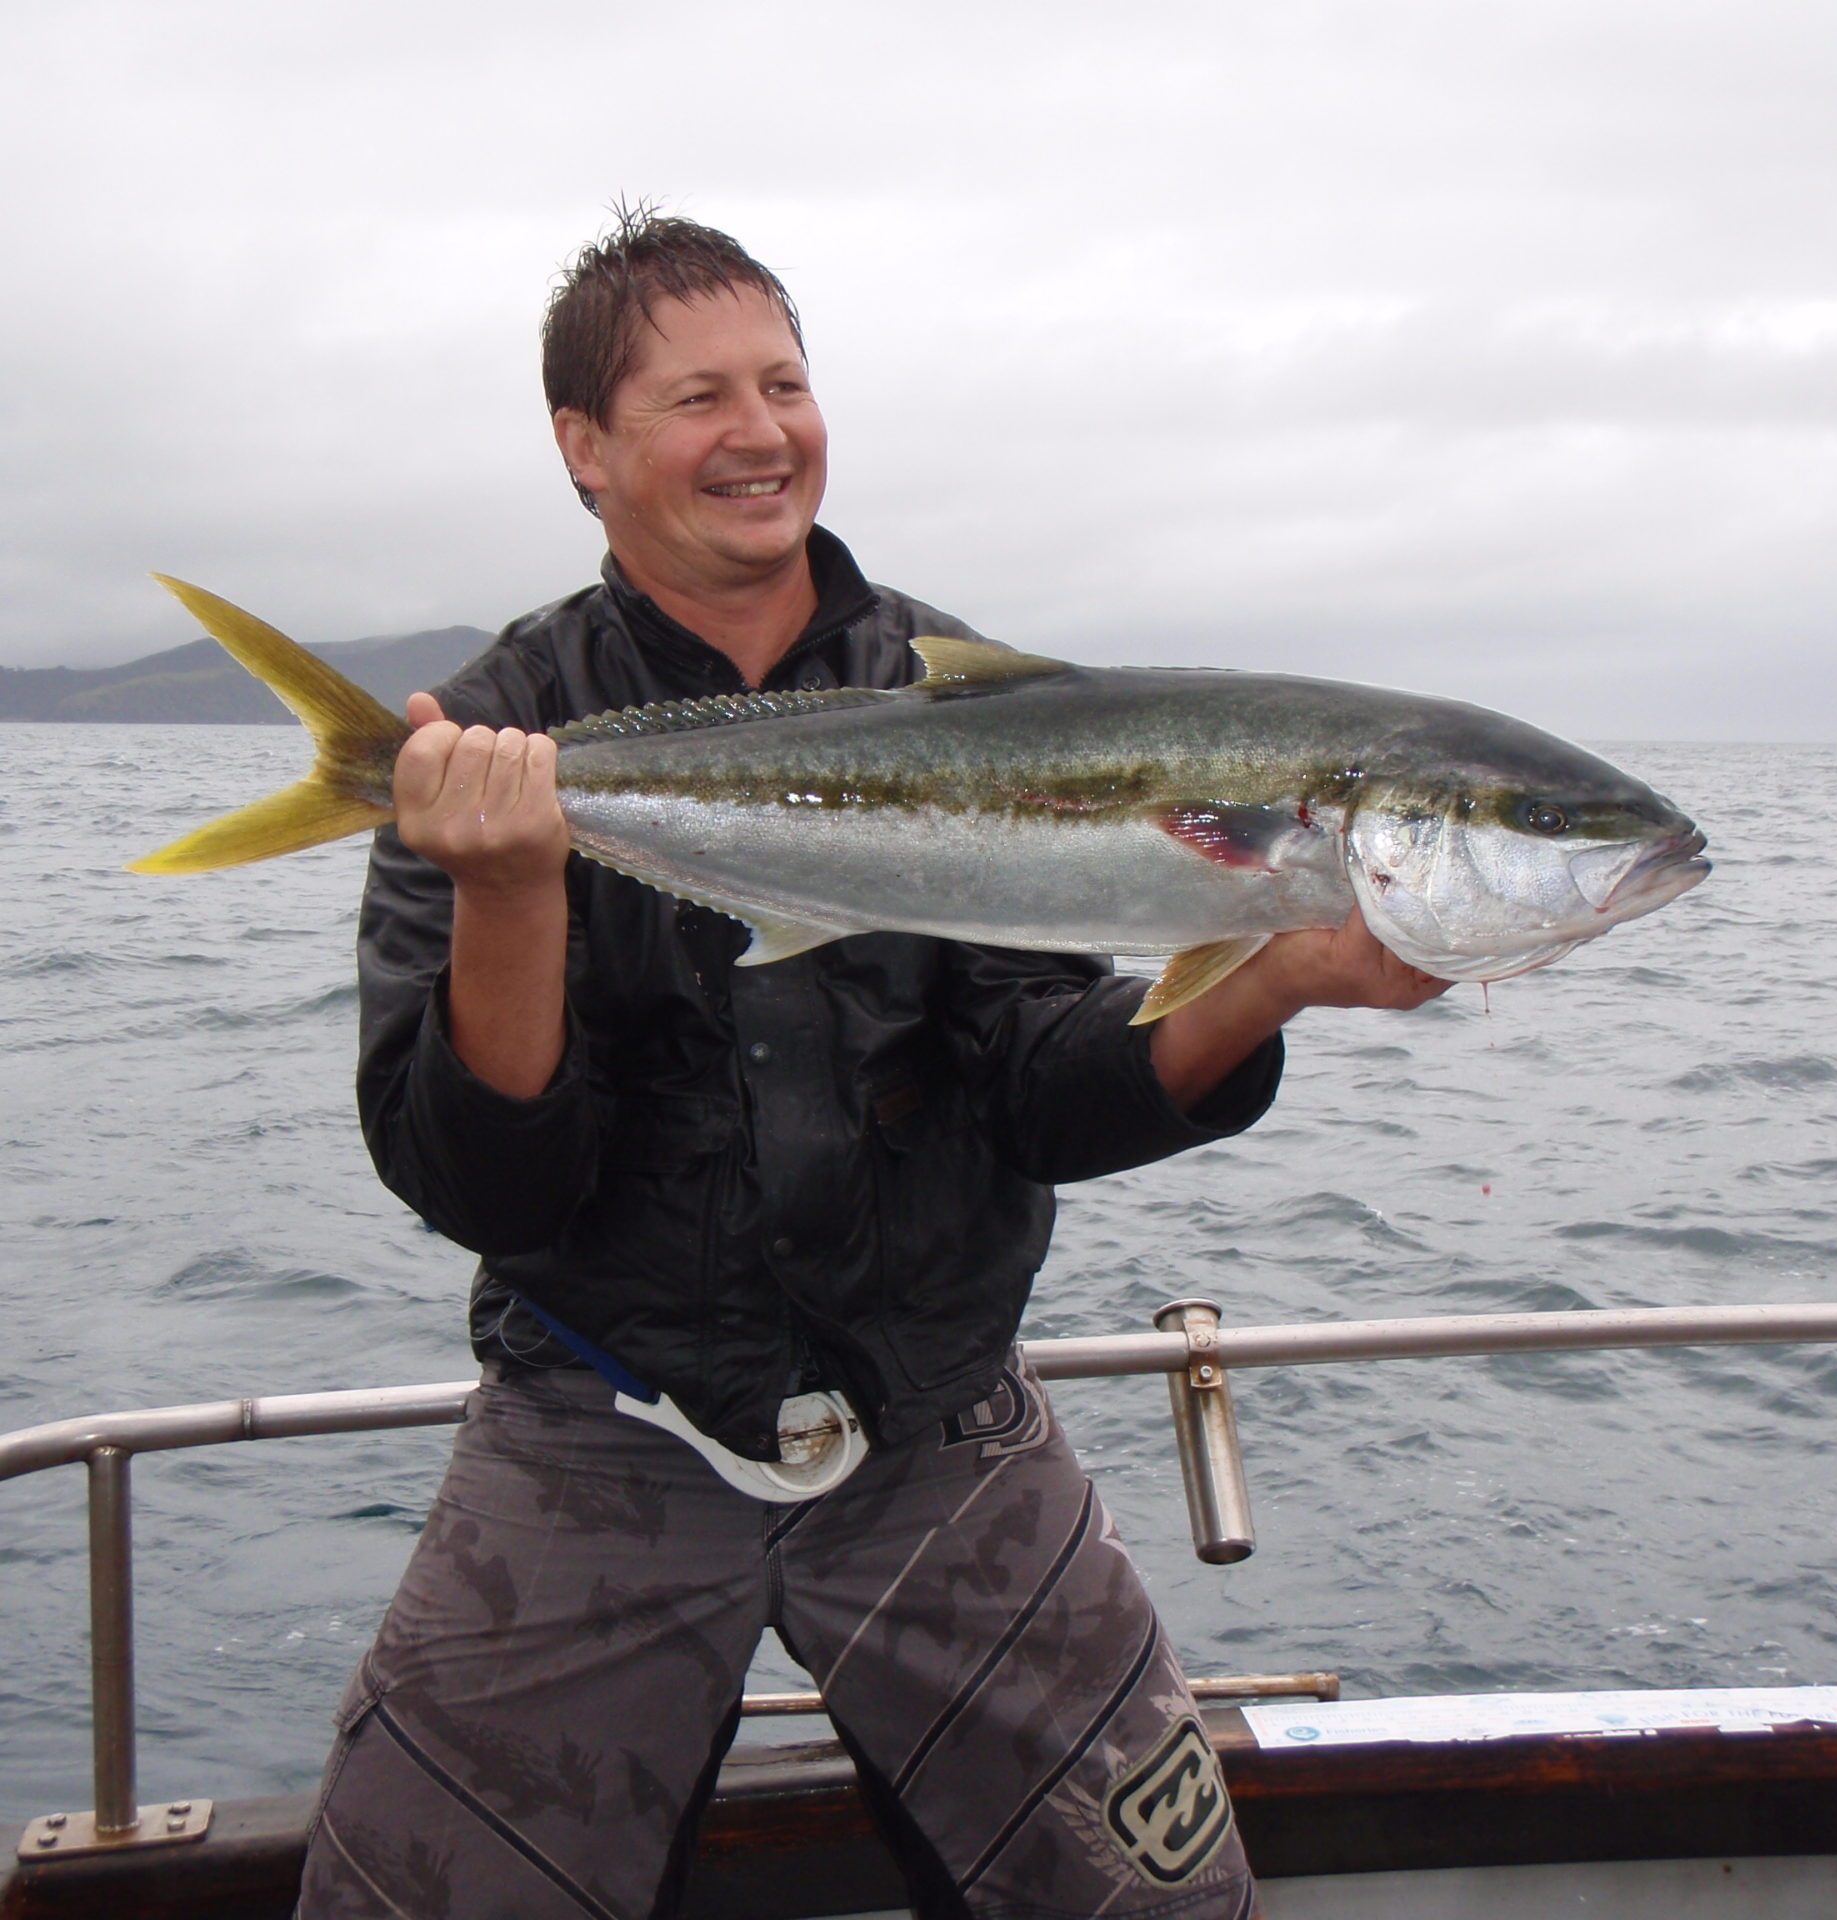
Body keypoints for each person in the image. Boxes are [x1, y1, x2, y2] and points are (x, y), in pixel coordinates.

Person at [296, 208, 1448, 1920]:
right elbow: (483, 1187)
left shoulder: (970, 701)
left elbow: (1035, 1091)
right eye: (698, 398)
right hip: (599, 1426)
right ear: (583, 448)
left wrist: (1271, 978)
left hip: (939, 1422)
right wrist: (514, 892)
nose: (762, 434)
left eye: (786, 382)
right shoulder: (490, 744)